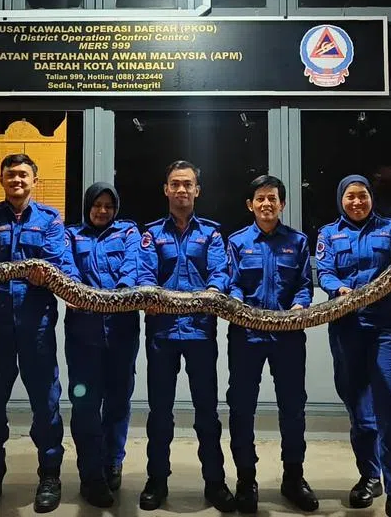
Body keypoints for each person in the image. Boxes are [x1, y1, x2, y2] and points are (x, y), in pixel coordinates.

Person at [317, 174, 391, 517]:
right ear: (341, 200)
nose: (357, 202)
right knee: (360, 409)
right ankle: (369, 476)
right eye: (350, 196)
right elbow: (324, 272)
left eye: (362, 195)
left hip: (385, 328)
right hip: (346, 327)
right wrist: (338, 289)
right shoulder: (328, 234)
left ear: (371, 198)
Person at [0, 153, 68, 513]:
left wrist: (43, 273)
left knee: (46, 405)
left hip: (36, 327)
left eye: (24, 175)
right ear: (1, 180)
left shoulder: (50, 220)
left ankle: (50, 477)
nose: (17, 180)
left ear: (35, 180)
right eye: (10, 174)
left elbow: (57, 265)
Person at [137, 160, 236, 513]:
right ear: (166, 190)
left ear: (197, 190)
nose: (181, 189)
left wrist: (212, 291)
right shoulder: (151, 235)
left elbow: (220, 274)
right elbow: (144, 275)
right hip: (162, 334)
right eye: (175, 184)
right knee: (160, 412)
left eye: (188, 184)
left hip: (199, 333)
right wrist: (149, 294)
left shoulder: (211, 234)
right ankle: (156, 480)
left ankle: (215, 482)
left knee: (207, 412)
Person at [225, 175, 319, 514]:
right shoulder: (237, 242)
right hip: (246, 335)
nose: (267, 204)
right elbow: (232, 282)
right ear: (250, 205)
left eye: (273, 198)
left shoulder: (298, 241)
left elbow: (304, 285)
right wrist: (238, 303)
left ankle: (293, 477)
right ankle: (245, 480)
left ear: (282, 204)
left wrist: (300, 305)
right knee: (241, 407)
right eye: (260, 199)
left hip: (288, 336)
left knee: (292, 408)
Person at [61, 182, 142, 508]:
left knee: (118, 401)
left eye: (109, 206)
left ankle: (112, 461)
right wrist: (75, 290)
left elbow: (132, 267)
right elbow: (66, 269)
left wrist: (117, 296)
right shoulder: (71, 235)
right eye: (97, 205)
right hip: (83, 336)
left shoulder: (128, 233)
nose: (103, 210)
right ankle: (90, 473)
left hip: (121, 332)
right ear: (87, 206)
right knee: (85, 404)